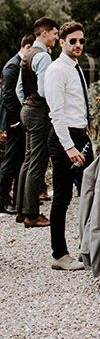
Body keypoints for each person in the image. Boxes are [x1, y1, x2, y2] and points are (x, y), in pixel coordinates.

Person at [45, 21, 93, 271]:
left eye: (81, 41)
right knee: (62, 197)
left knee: (90, 193)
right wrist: (68, 147)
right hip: (65, 140)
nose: (77, 45)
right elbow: (57, 114)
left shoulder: (76, 68)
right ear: (61, 42)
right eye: (72, 41)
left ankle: (88, 247)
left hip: (81, 136)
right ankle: (59, 254)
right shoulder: (56, 70)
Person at [15, 17, 59, 228]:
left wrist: (26, 103)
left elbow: (18, 89)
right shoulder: (42, 57)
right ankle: (32, 214)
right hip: (39, 111)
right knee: (37, 163)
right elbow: (44, 90)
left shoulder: (27, 54)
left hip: (27, 108)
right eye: (55, 33)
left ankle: (21, 211)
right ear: (44, 33)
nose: (56, 37)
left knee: (28, 160)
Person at [0, 34, 34, 213]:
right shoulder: (12, 66)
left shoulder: (19, 64)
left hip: (19, 120)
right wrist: (15, 120)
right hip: (13, 121)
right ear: (28, 46)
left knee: (19, 158)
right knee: (11, 159)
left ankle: (14, 198)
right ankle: (2, 199)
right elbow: (7, 96)